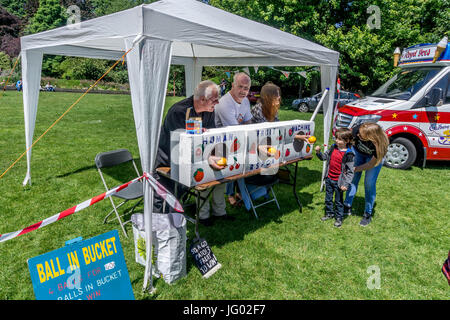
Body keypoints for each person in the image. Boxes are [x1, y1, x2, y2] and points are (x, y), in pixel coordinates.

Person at [154, 80, 232, 227]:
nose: (218, 103)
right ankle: (159, 231)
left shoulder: (209, 111)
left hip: (194, 159)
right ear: (202, 99)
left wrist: (213, 155)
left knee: (218, 176)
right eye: (215, 100)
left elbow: (209, 138)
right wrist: (207, 158)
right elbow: (179, 148)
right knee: (165, 201)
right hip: (168, 161)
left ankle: (213, 213)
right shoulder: (179, 112)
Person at [215, 72, 253, 206]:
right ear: (232, 85)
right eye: (240, 87)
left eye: (246, 88)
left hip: (236, 141)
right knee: (233, 161)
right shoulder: (225, 103)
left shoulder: (246, 101)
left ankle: (241, 191)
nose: (243, 91)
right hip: (219, 144)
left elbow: (248, 122)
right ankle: (230, 194)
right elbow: (235, 131)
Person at [343, 122, 389, 226]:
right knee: (352, 179)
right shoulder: (357, 130)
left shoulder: (381, 146)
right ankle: (347, 205)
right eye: (358, 133)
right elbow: (349, 142)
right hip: (358, 153)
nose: (358, 135)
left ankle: (367, 213)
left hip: (371, 160)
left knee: (369, 183)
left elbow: (370, 164)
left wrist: (355, 169)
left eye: (361, 136)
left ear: (371, 137)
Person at [315, 128, 355, 228]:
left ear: (347, 141)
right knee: (328, 199)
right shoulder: (333, 147)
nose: (337, 141)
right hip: (329, 178)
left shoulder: (349, 154)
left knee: (338, 201)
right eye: (336, 138)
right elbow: (324, 157)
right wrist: (318, 153)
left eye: (340, 139)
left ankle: (339, 218)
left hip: (339, 182)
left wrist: (345, 184)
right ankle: (329, 213)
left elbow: (350, 171)